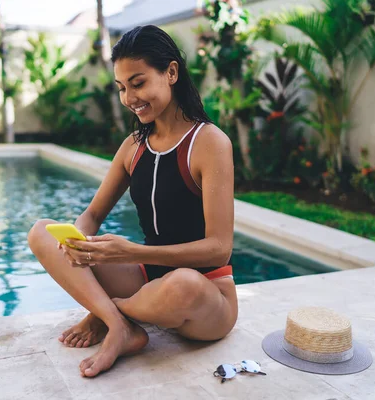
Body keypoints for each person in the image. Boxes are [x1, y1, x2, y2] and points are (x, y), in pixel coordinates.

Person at [28, 25, 238, 378]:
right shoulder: (133, 146)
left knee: (182, 282)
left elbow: (219, 249)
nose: (129, 98)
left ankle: (106, 312)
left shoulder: (209, 142)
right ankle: (119, 325)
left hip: (205, 295)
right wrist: (76, 242)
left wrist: (131, 252)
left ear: (171, 72)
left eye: (138, 83)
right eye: (122, 88)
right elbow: (93, 213)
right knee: (41, 232)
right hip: (146, 281)